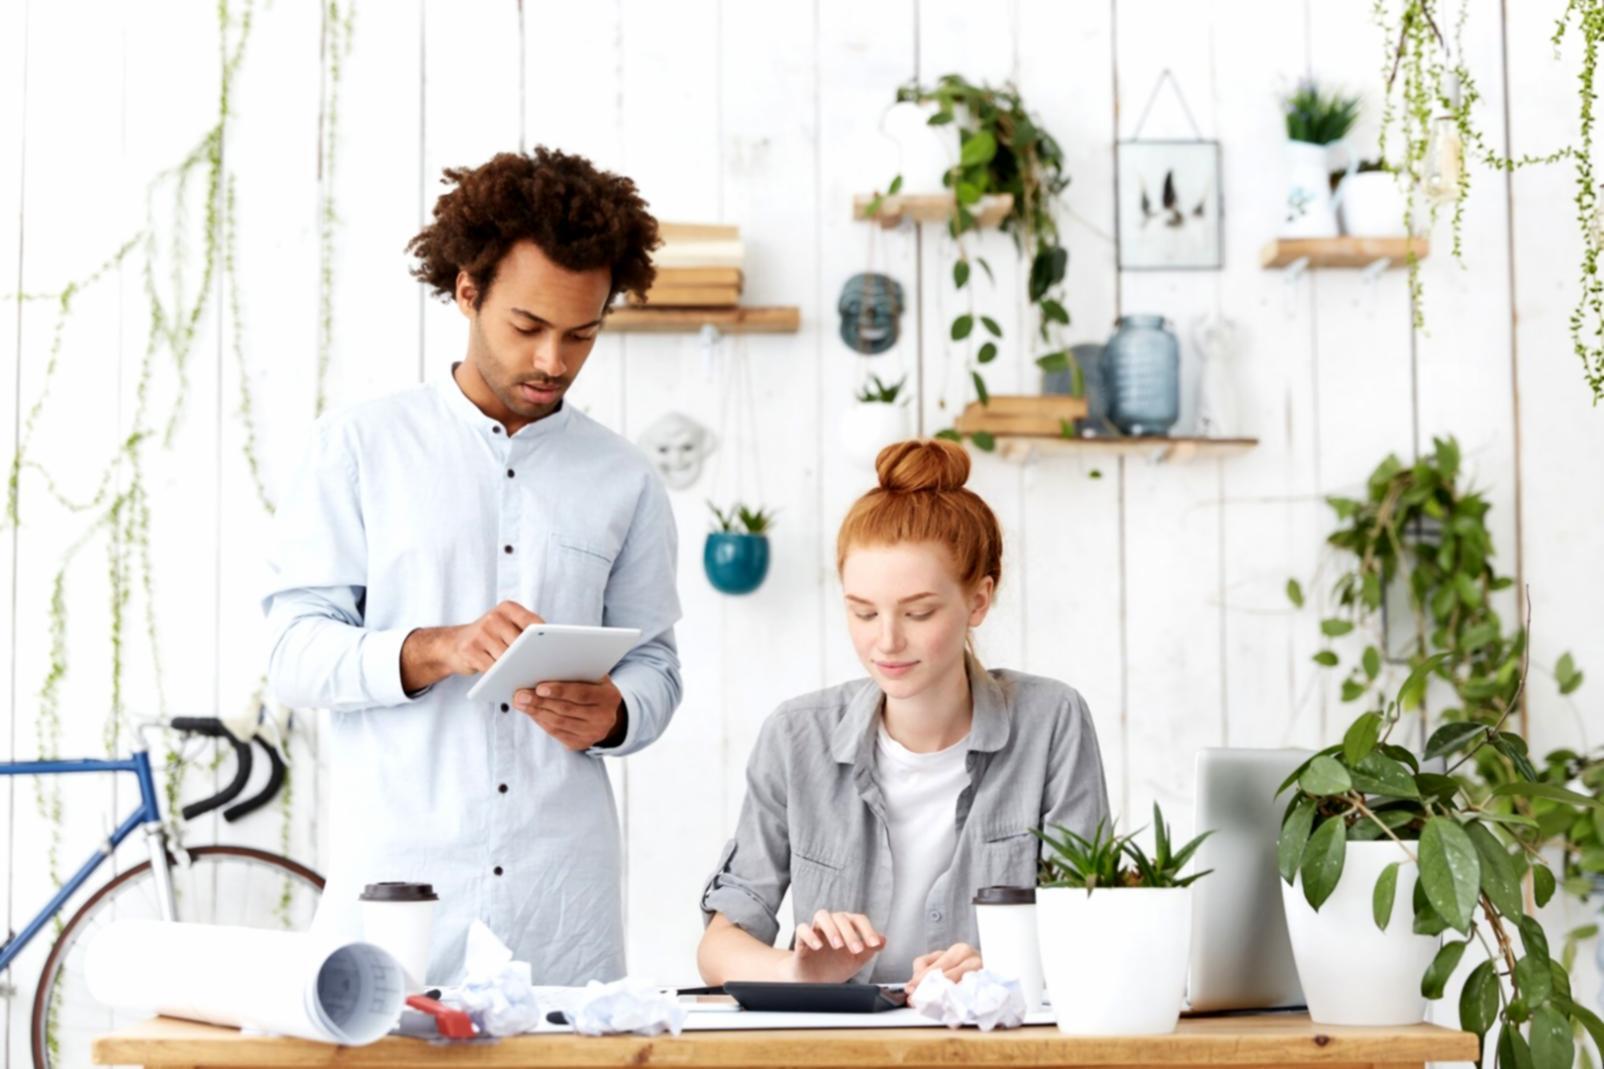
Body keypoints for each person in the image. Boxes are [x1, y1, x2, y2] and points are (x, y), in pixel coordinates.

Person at [263, 147, 681, 986]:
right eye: (528, 327)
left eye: (582, 333)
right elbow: (293, 654)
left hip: (562, 904)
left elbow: (657, 667)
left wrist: (615, 712)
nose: (553, 361)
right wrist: (439, 647)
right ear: (467, 291)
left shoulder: (626, 479)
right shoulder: (359, 449)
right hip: (398, 894)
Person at [697, 438, 1109, 989]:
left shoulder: (1051, 722)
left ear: (979, 601)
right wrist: (796, 968)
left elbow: (1091, 923)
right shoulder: (797, 736)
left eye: (918, 612)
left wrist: (1003, 971)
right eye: (863, 612)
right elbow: (720, 945)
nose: (886, 641)